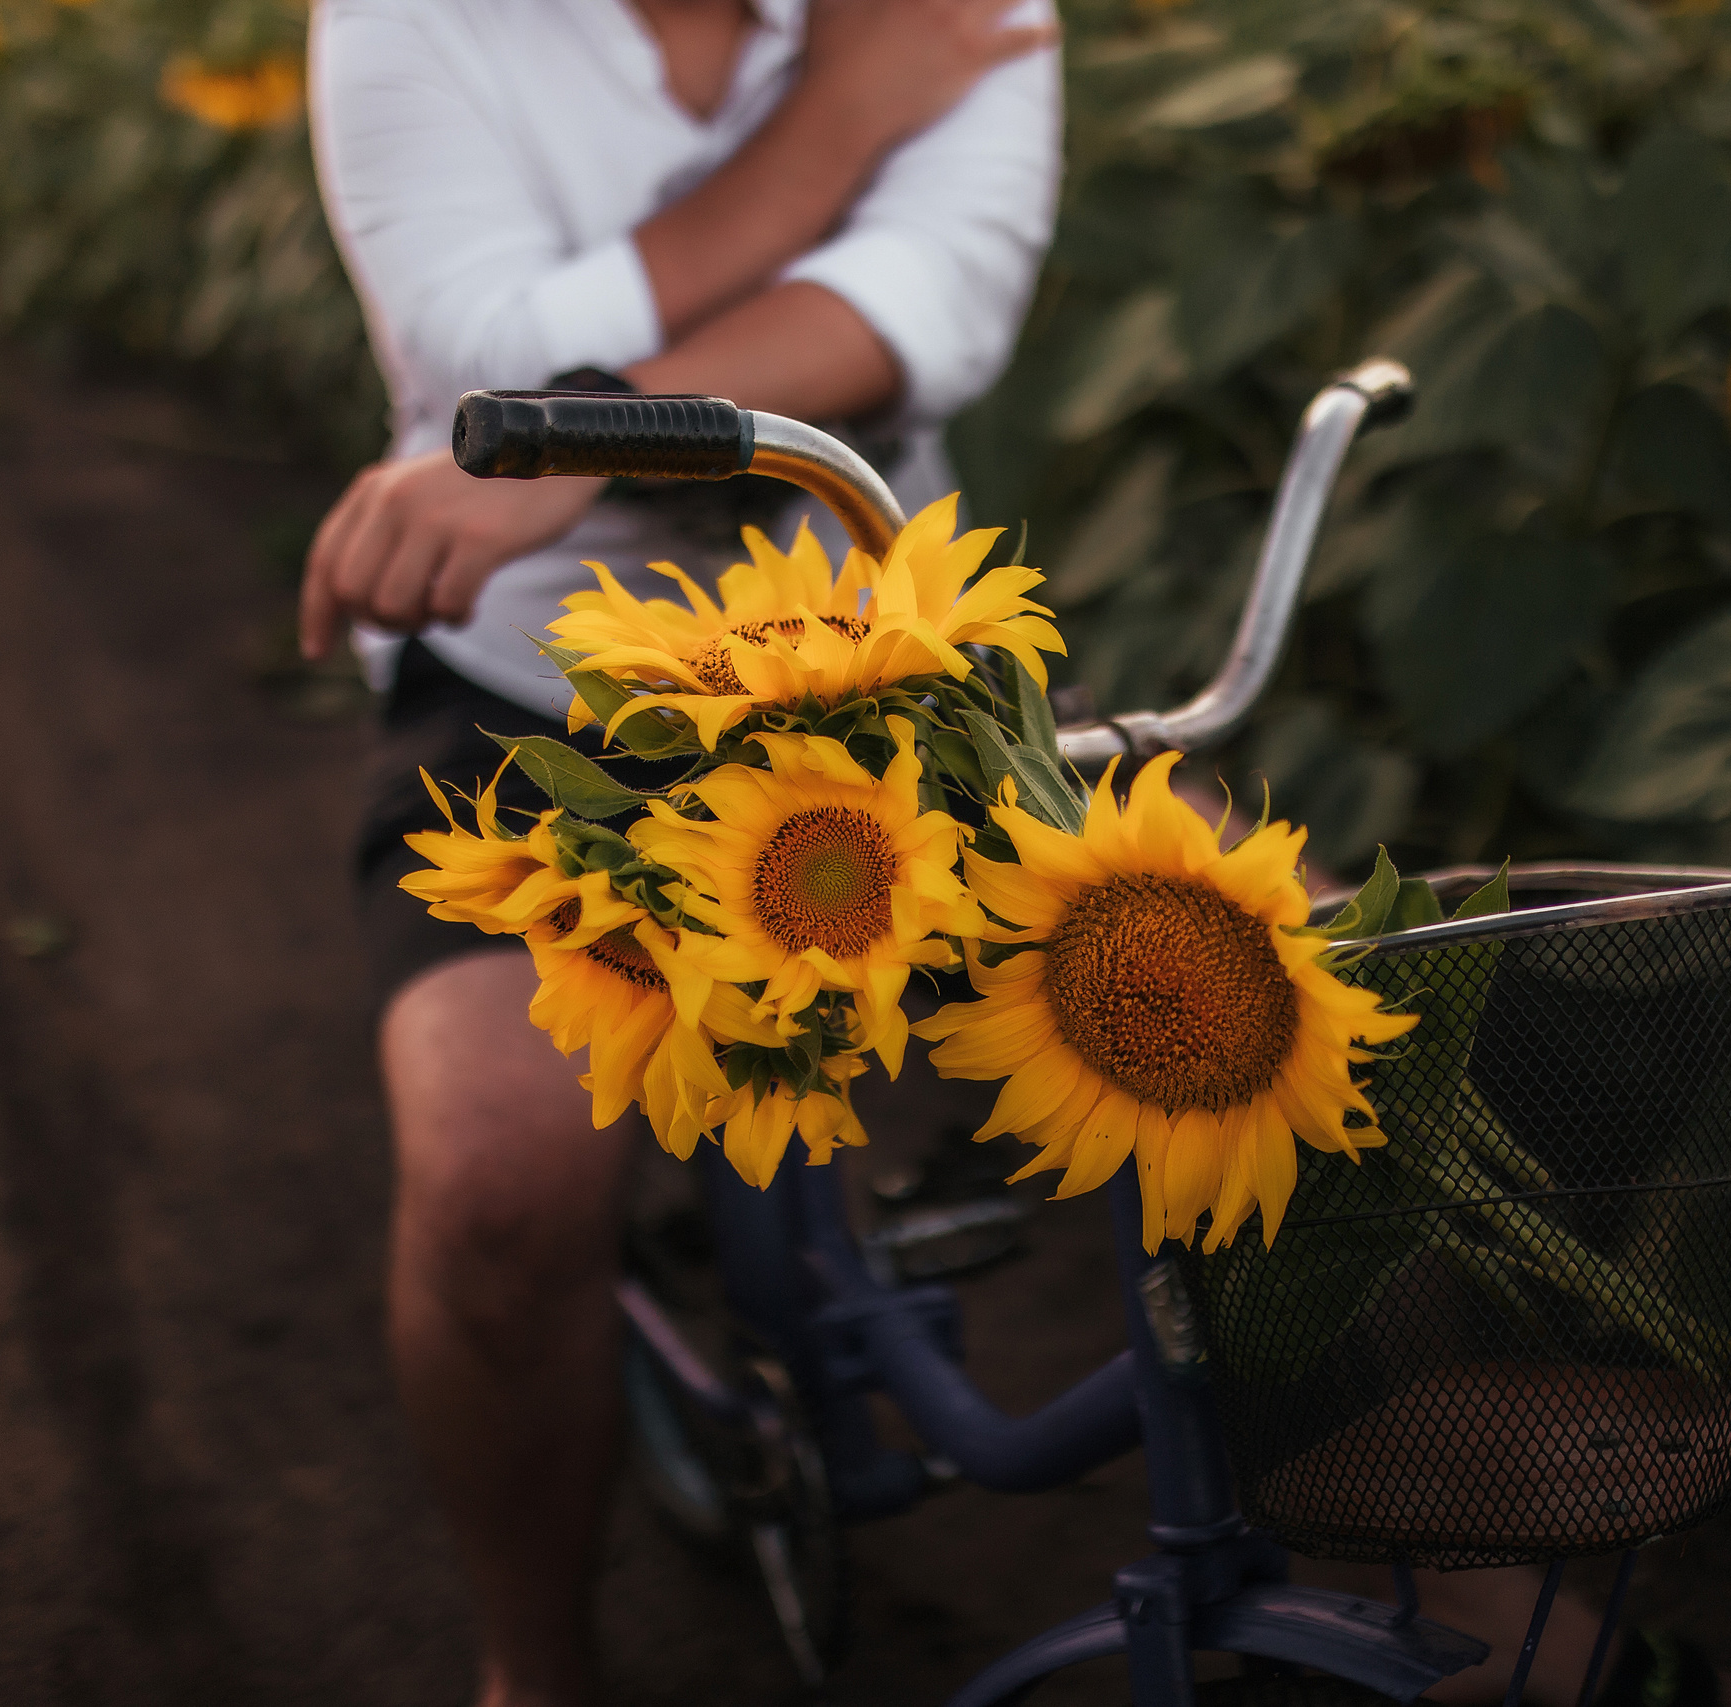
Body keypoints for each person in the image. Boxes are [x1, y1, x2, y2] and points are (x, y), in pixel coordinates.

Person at [302, 3, 1059, 1702]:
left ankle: (1478, 1621)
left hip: (877, 643)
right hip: (528, 679)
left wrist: (577, 432)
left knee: (1281, 983)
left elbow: (925, 306)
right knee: (500, 1173)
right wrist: (840, 126)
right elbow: (478, 344)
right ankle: (535, 1668)